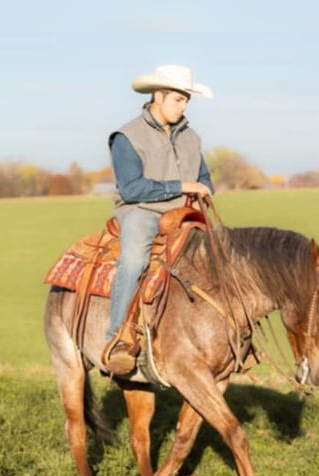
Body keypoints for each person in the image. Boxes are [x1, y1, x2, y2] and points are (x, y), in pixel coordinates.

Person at [103, 64, 215, 375]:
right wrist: (182, 186)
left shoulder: (191, 138)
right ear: (157, 96)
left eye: (186, 101)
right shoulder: (126, 136)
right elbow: (131, 187)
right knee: (135, 258)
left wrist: (205, 190)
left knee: (220, 256)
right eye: (178, 99)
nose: (183, 106)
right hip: (142, 212)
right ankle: (118, 339)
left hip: (184, 214)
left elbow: (204, 177)